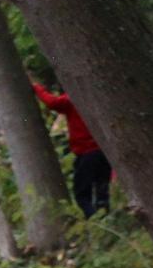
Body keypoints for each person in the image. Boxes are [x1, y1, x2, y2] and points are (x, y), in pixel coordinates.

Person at [33, 81, 111, 217]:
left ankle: (95, 220)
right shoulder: (95, 97)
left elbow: (52, 103)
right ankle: (105, 217)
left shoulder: (73, 98)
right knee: (102, 188)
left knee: (81, 194)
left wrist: (37, 87)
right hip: (103, 151)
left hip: (88, 152)